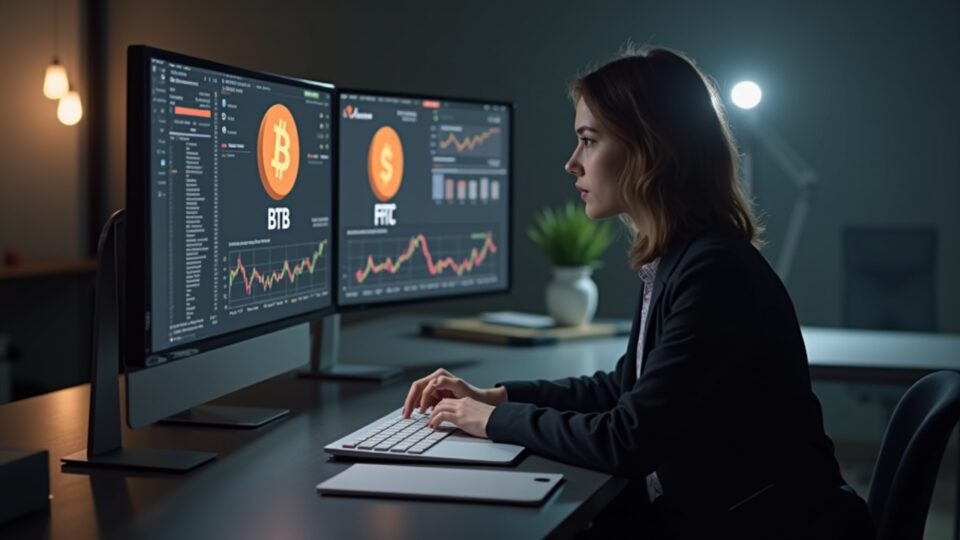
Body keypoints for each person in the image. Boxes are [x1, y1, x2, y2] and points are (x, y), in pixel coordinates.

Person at [401, 46, 875, 539]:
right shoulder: (679, 259)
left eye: (588, 141)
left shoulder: (714, 272)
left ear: (650, 149)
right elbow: (624, 387)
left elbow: (628, 438)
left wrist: (493, 422)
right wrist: (495, 398)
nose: (571, 164)